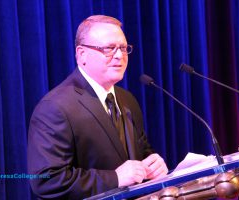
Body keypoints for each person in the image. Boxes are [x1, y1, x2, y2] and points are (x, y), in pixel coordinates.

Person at [27, 15, 168, 199]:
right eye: (109, 48)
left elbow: (140, 155)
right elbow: (46, 180)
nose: (119, 55)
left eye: (124, 48)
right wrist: (114, 178)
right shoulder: (55, 107)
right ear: (82, 54)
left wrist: (153, 166)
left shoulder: (127, 100)